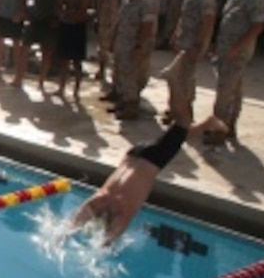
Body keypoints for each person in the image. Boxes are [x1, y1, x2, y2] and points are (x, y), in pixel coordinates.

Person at [71, 105, 227, 246]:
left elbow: (108, 241)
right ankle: (208, 124)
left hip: (151, 160)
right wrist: (64, 236)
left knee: (182, 122)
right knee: (176, 137)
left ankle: (174, 81)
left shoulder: (123, 209)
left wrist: (104, 242)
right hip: (135, 154)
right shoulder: (100, 198)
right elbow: (73, 224)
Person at [207, 0, 264, 145]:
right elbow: (227, 21)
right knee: (234, 88)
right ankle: (229, 126)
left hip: (238, 52)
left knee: (225, 89)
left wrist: (237, 48)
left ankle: (218, 130)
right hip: (227, 49)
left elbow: (258, 25)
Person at [160, 0, 215, 125]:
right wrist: (176, 34)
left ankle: (185, 114)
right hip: (183, 43)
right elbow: (183, 17)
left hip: (192, 46)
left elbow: (208, 22)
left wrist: (199, 45)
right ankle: (174, 109)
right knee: (176, 77)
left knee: (185, 80)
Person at [109, 0, 156, 120]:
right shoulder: (126, 0)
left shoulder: (146, 4)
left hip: (133, 45)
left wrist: (140, 47)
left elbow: (147, 27)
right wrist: (113, 38)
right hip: (122, 43)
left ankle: (131, 106)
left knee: (130, 76)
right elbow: (120, 20)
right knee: (120, 74)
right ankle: (122, 100)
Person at [14, 0, 63, 90]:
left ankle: (41, 81)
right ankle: (19, 77)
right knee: (24, 48)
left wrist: (58, 18)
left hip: (50, 20)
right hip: (35, 17)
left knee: (46, 52)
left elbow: (61, 3)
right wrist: (24, 10)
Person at [54, 0, 94, 100]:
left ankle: (76, 90)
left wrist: (69, 14)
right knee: (63, 60)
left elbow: (83, 11)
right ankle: (61, 87)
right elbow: (59, 6)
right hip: (65, 26)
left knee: (77, 61)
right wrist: (63, 14)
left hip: (78, 28)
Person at [96, 0, 126, 92]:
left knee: (116, 50)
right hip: (105, 19)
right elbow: (101, 1)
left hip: (117, 21)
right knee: (102, 47)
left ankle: (116, 76)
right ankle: (101, 70)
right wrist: (97, 16)